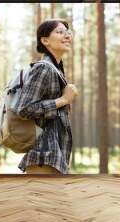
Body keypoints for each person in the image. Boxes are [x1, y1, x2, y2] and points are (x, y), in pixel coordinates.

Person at [15, 19, 78, 174]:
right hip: (44, 157)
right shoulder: (44, 68)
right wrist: (63, 100)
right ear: (45, 40)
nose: (67, 36)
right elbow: (24, 109)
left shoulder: (56, 69)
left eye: (67, 32)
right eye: (60, 32)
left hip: (54, 155)